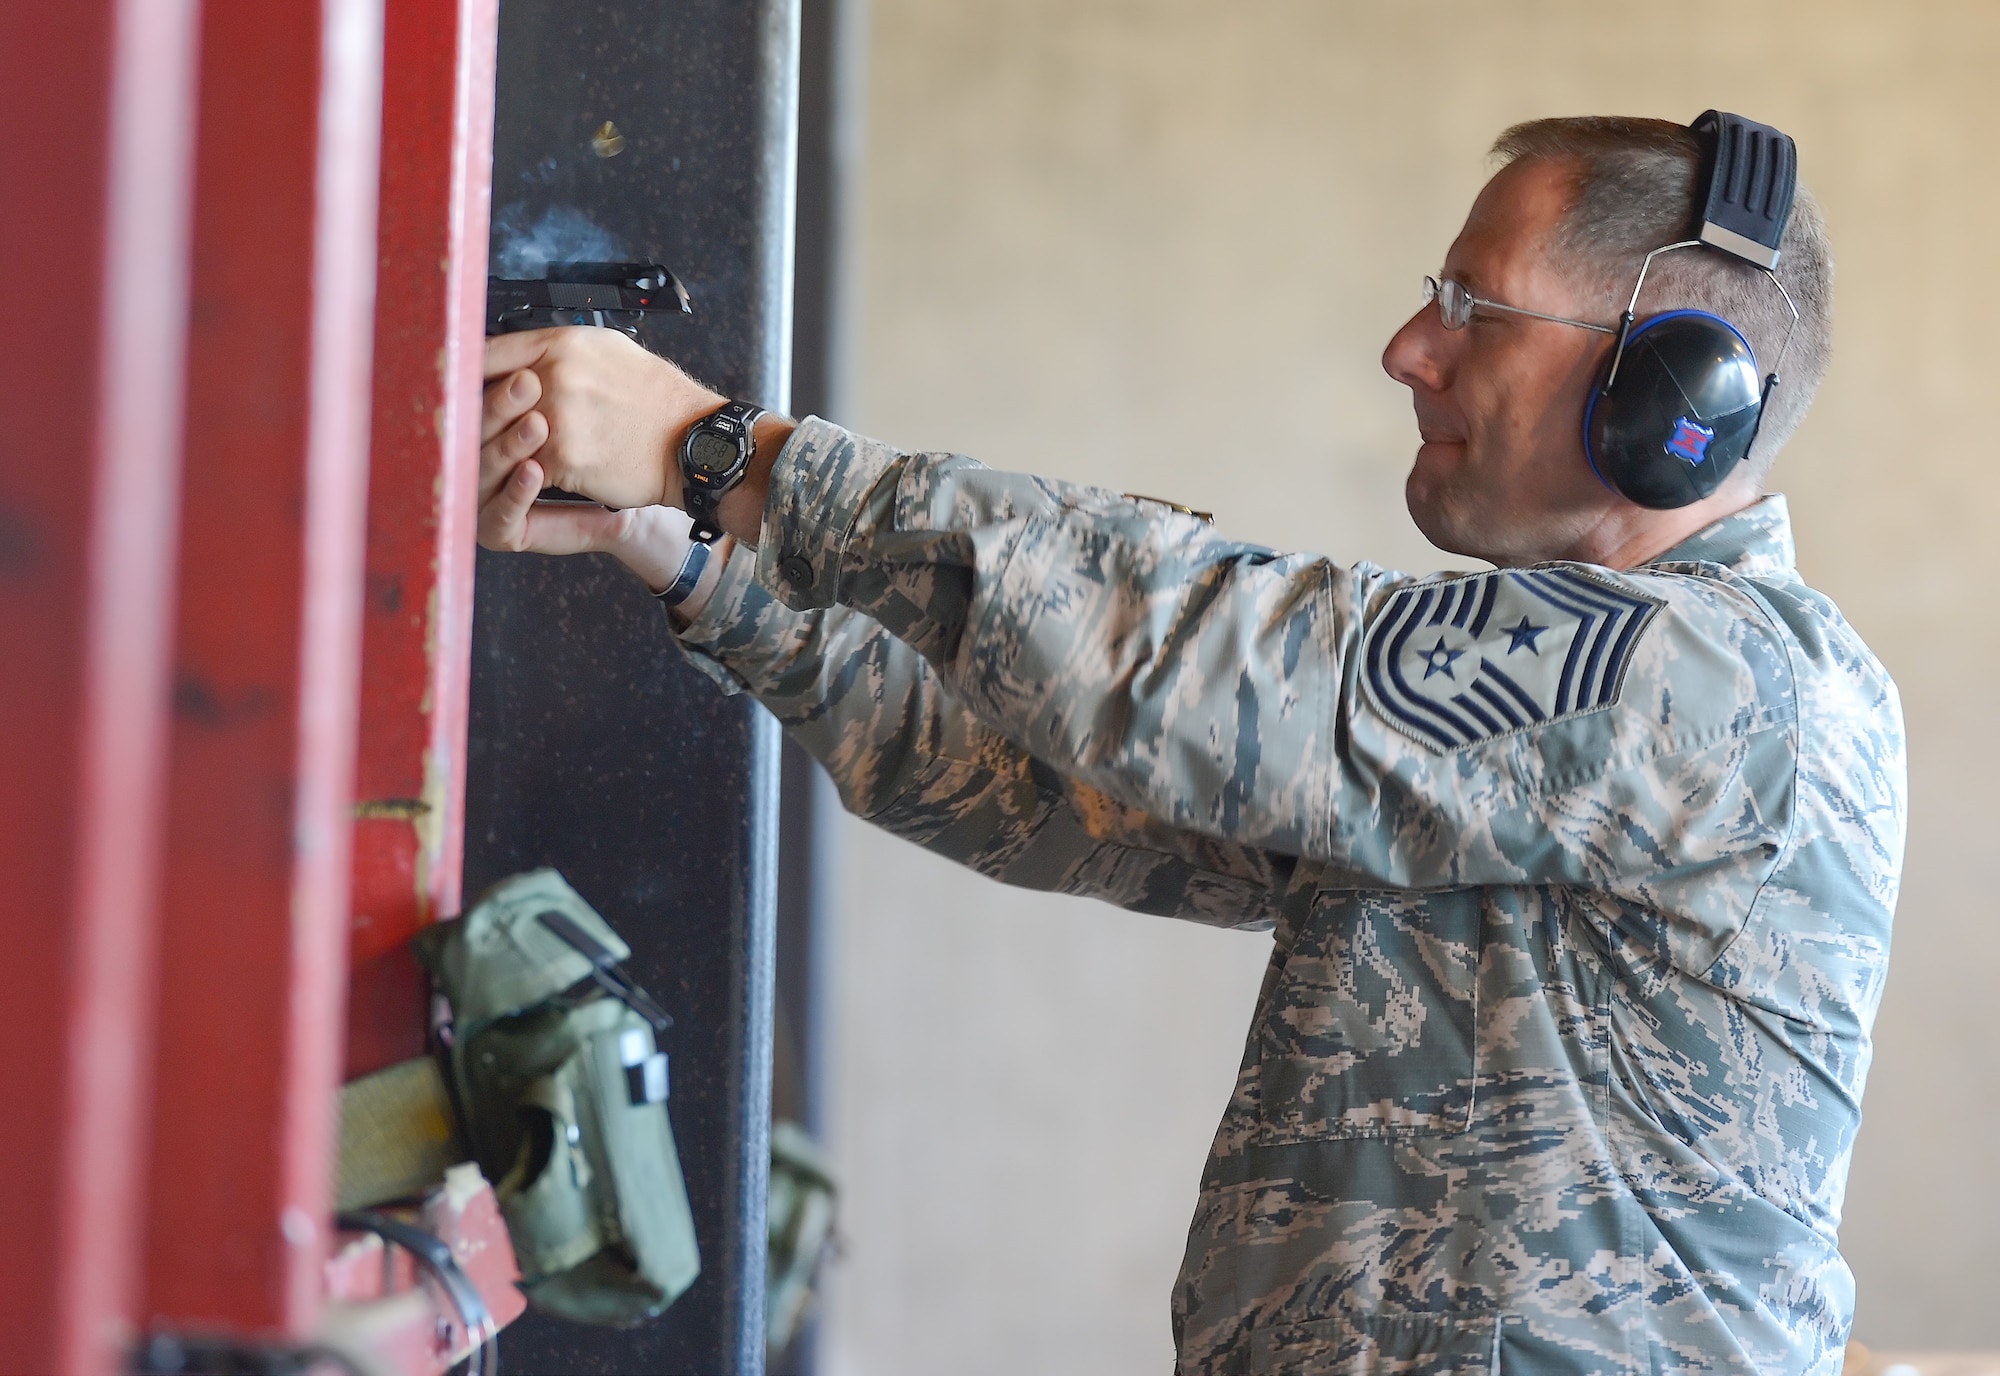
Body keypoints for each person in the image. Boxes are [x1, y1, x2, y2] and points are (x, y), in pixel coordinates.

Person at [476, 115, 1904, 1374]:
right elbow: (1054, 779)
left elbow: (1193, 664)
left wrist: (734, 457)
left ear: (1671, 395)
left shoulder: (1732, 685)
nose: (1411, 349)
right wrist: (689, 548)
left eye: (1475, 307)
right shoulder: (1519, 737)